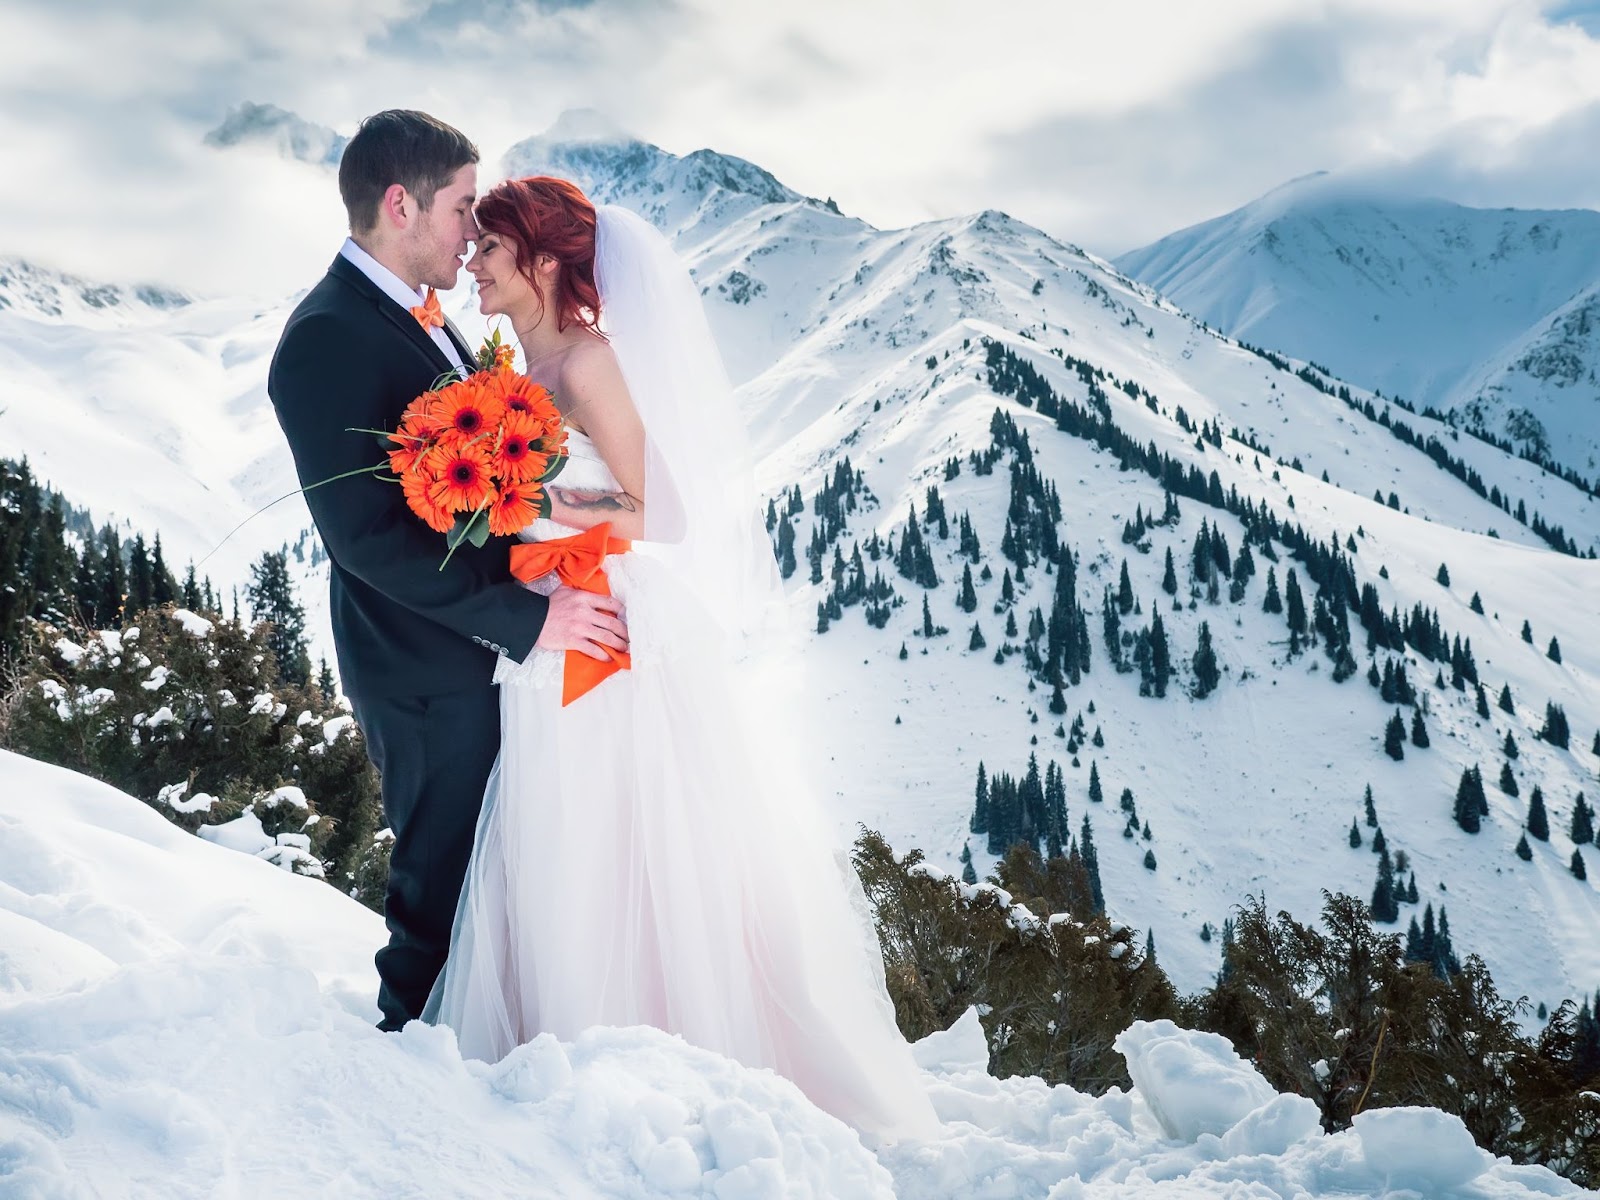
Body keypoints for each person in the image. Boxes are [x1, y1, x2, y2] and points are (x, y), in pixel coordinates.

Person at [422, 176, 940, 1142]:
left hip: (607, 632)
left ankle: (646, 1066)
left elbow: (666, 510)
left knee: (615, 832)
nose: (475, 264)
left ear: (541, 261)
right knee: (554, 829)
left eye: (491, 247)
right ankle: (559, 1057)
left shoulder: (586, 363)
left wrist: (540, 502)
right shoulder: (511, 360)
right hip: (544, 623)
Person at [267, 111, 628, 1033]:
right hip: (421, 669)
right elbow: (368, 538)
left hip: (476, 653)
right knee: (437, 893)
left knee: (486, 887)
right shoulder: (327, 336)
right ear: (402, 203)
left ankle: (476, 1068)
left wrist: (540, 566)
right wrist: (525, 619)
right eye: (464, 206)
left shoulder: (414, 317)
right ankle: (408, 1088)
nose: (474, 231)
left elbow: (478, 488)